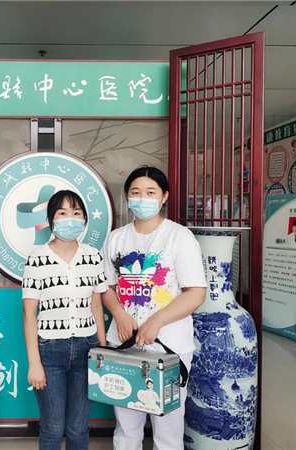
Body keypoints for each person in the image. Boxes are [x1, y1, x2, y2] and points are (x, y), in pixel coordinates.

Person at [101, 166, 207, 450]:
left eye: (151, 192)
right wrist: (119, 314)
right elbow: (106, 287)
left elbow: (196, 293)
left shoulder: (179, 236)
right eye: (136, 192)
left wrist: (156, 322)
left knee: (168, 429)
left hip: (168, 347)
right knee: (126, 426)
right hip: (123, 344)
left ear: (164, 197)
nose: (142, 198)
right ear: (127, 196)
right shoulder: (115, 238)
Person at [22, 190, 108, 450]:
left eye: (76, 212)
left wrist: (103, 349)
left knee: (78, 428)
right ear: (51, 220)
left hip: (87, 348)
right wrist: (34, 363)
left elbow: (96, 305)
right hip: (50, 350)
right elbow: (29, 314)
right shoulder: (37, 259)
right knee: (53, 427)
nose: (70, 218)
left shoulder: (93, 256)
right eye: (63, 212)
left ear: (84, 220)